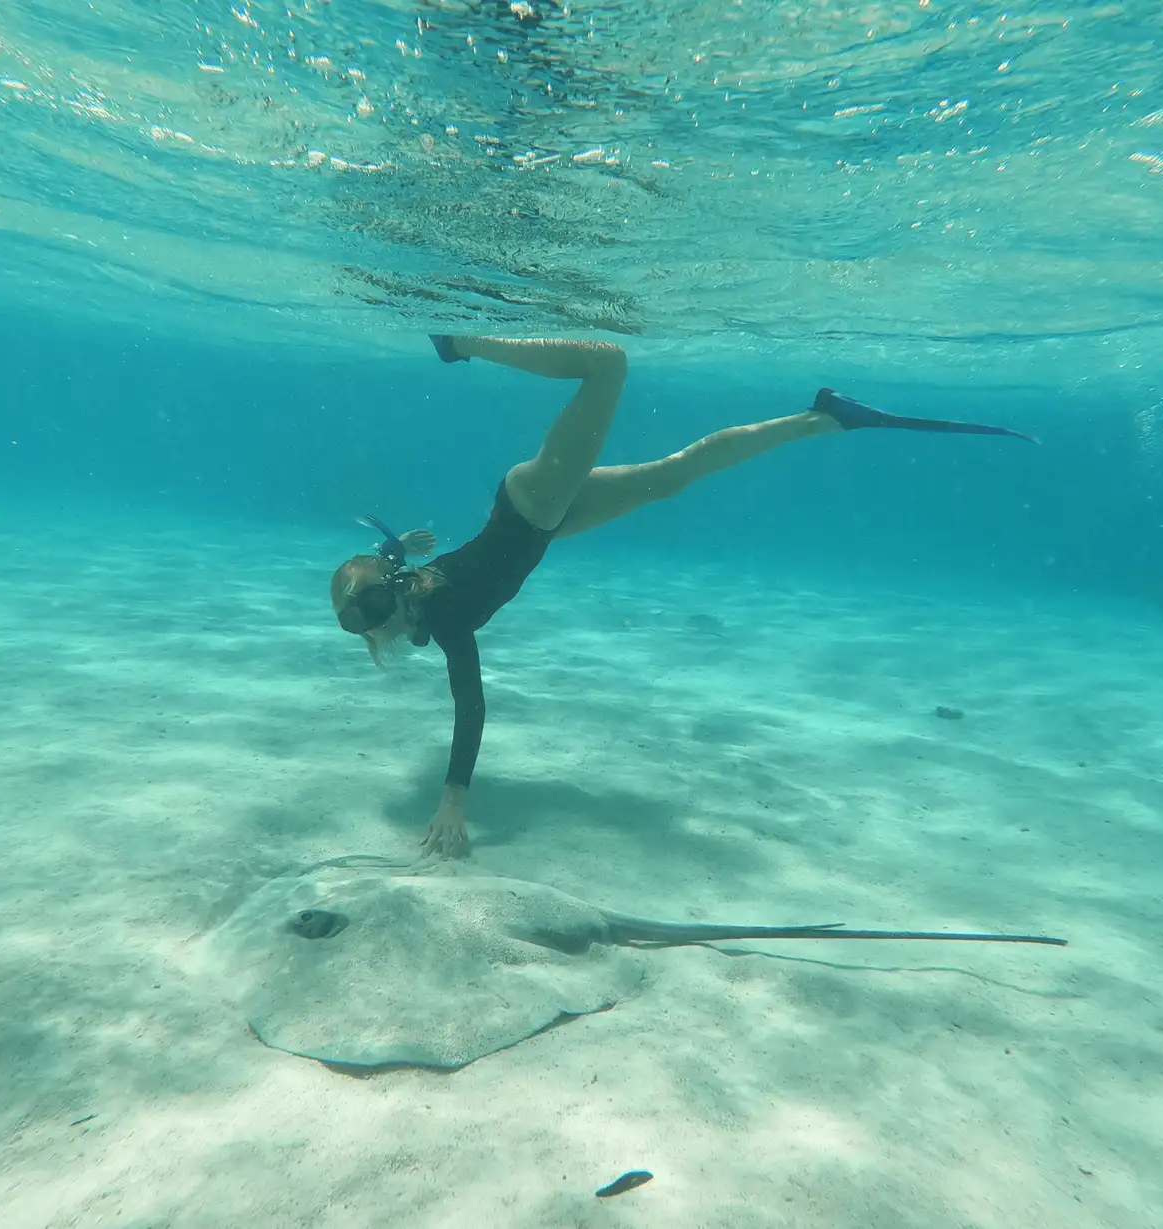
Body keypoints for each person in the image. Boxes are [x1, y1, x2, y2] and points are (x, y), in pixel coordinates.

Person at [331, 336, 1036, 857]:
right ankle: (827, 417)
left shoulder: (440, 616)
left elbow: (471, 701)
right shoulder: (419, 606)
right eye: (360, 617)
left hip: (530, 504)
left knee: (606, 363)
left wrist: (456, 794)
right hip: (544, 523)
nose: (371, 614)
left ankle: (461, 342)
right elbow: (391, 557)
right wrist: (402, 548)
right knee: (675, 475)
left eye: (365, 601)